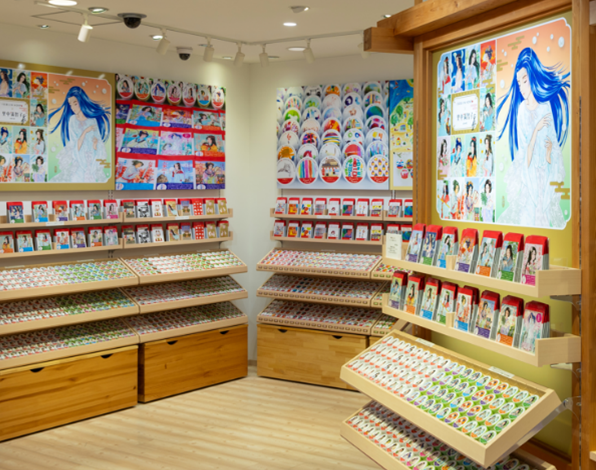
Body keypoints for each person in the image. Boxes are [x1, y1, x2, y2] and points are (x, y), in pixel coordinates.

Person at [497, 47, 569, 228]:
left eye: (525, 81)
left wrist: (549, 153)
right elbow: (524, 154)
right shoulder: (521, 111)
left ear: (532, 78)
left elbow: (552, 152)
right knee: (527, 219)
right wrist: (536, 130)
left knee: (545, 219)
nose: (522, 87)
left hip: (544, 176)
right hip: (528, 176)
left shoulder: (545, 107)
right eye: (519, 82)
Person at [49, 86, 111, 183]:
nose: (73, 108)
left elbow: (99, 146)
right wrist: (85, 131)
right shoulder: (72, 120)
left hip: (91, 161)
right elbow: (75, 146)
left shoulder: (93, 120)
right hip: (79, 161)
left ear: (81, 101)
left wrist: (95, 146)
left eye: (75, 103)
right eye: (71, 105)